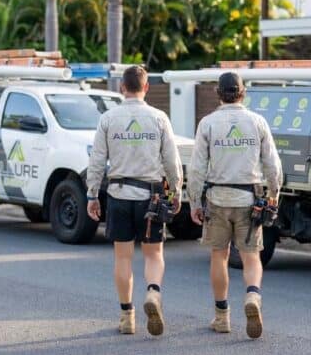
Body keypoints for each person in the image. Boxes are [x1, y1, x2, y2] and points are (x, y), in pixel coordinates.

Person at [85, 65, 182, 336]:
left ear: (121, 88)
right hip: (151, 197)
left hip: (118, 196)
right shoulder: (159, 118)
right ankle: (152, 292)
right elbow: (172, 161)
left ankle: (127, 316)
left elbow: (96, 161)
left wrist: (92, 194)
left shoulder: (108, 118)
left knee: (123, 256)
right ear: (146, 87)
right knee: (154, 254)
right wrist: (176, 192)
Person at [188, 72, 282, 339]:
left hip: (217, 199)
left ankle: (222, 317)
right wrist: (274, 193)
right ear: (243, 92)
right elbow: (273, 165)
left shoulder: (208, 123)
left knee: (220, 255)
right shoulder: (258, 122)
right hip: (249, 199)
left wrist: (194, 201)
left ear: (219, 93)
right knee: (252, 256)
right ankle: (252, 296)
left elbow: (196, 168)